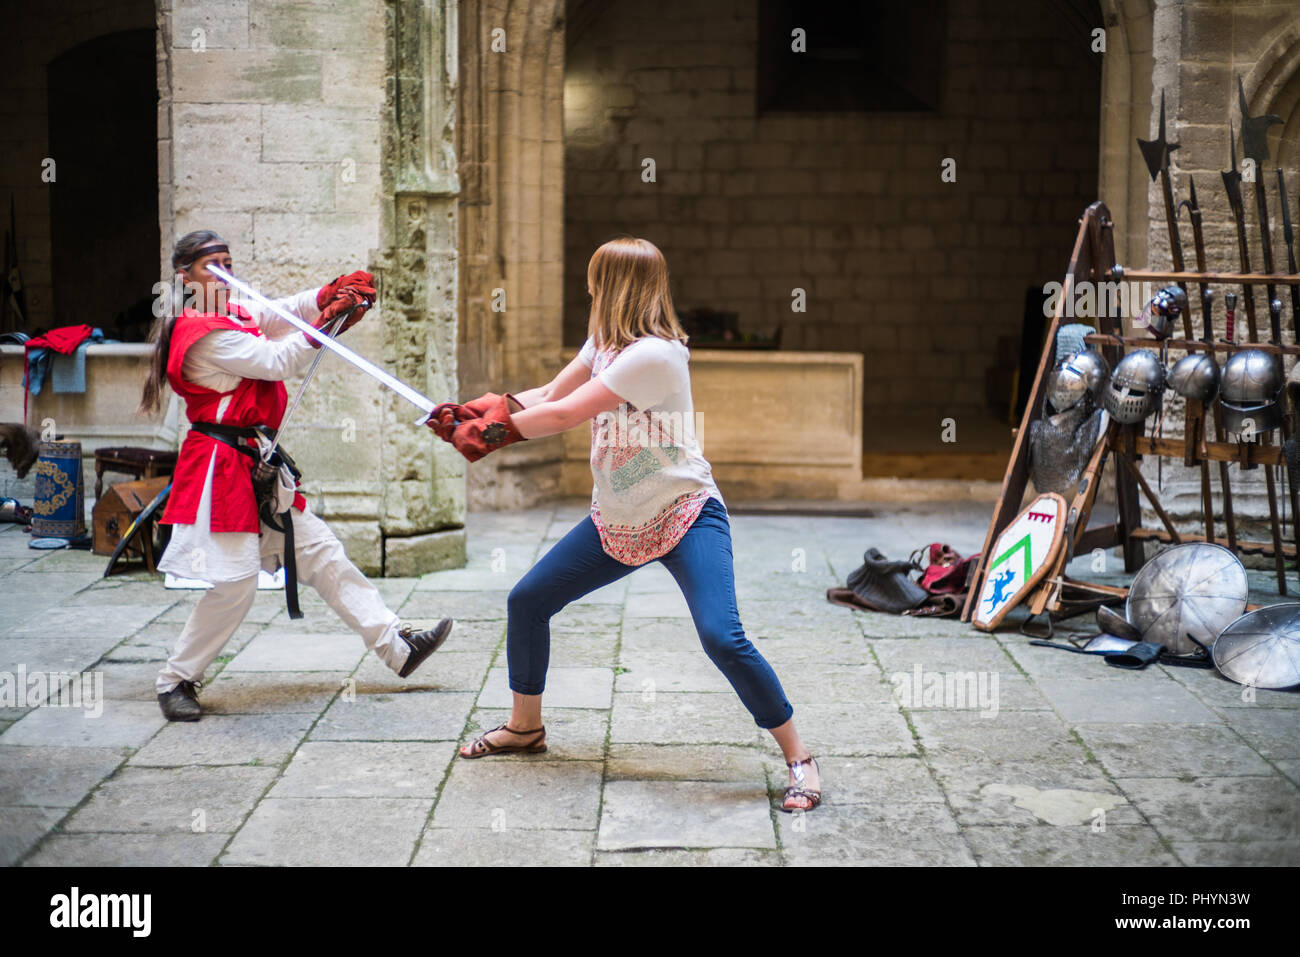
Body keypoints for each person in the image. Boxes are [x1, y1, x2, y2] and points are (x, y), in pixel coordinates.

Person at [428, 237, 821, 811]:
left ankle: (799, 757)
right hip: (617, 520)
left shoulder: (657, 355)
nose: (588, 288)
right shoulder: (607, 344)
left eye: (594, 280)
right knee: (527, 602)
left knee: (721, 635)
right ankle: (525, 727)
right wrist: (480, 410)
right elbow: (547, 394)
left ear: (608, 286)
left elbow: (565, 414)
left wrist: (494, 434)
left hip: (685, 513)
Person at [141, 230, 451, 721]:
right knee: (235, 585)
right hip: (220, 468)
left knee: (320, 551)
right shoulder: (201, 333)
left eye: (227, 261)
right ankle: (175, 680)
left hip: (255, 460)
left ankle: (397, 646)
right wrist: (325, 324)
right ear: (185, 276)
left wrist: (327, 296)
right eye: (210, 266)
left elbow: (279, 311)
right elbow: (275, 361)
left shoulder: (231, 308)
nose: (223, 272)